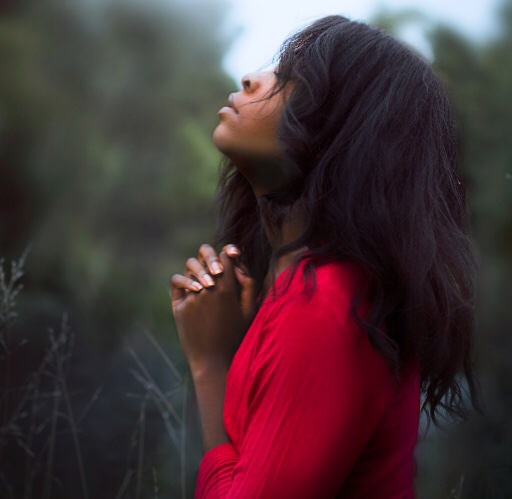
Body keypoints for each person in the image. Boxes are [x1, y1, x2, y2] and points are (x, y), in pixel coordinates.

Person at [170, 15, 479, 498]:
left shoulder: (327, 305)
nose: (251, 79)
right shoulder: (317, 289)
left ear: (344, 133)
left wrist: (210, 364)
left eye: (292, 81)